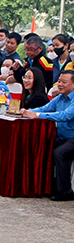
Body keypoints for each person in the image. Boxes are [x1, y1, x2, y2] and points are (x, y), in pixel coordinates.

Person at [21, 70, 74, 201]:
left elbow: (65, 115)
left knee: (60, 153)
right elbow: (44, 108)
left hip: (72, 137)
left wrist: (37, 115)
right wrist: (27, 111)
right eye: (59, 81)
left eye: (64, 82)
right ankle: (45, 186)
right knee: (42, 146)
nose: (60, 84)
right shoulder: (59, 98)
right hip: (62, 136)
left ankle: (65, 190)